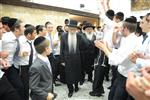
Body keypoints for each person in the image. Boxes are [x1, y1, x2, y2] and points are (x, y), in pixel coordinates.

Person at [95, 17, 140, 100]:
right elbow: (118, 52)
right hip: (120, 76)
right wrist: (107, 47)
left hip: (126, 78)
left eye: (120, 28)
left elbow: (116, 61)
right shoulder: (126, 39)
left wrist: (104, 48)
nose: (119, 30)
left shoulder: (133, 41)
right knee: (111, 96)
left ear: (125, 29)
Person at [60, 20, 90, 97]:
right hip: (67, 59)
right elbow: (62, 49)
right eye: (71, 29)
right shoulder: (64, 36)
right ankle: (70, 90)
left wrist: (82, 35)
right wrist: (62, 60)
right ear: (68, 28)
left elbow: (87, 44)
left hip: (77, 59)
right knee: (69, 75)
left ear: (76, 29)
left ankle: (76, 86)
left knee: (77, 73)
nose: (72, 31)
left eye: (74, 29)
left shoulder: (79, 36)